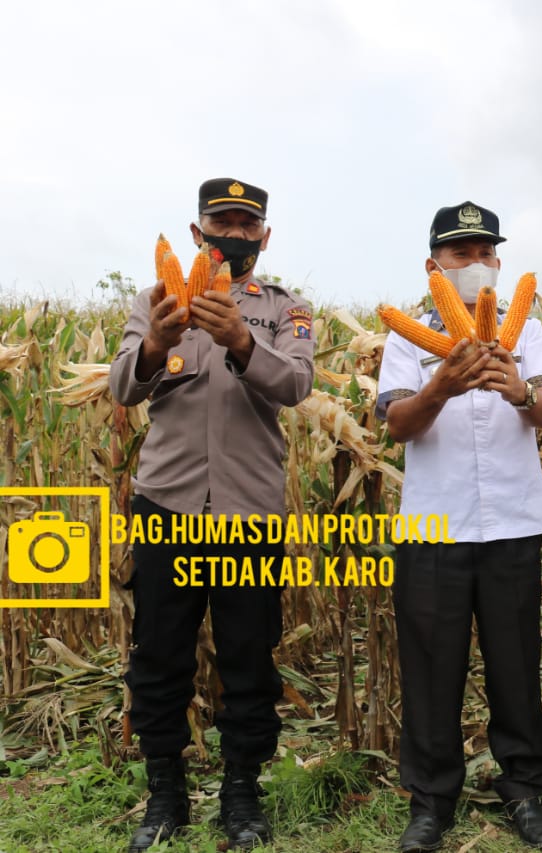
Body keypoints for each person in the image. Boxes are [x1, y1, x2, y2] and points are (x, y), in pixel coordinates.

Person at [109, 178, 315, 851]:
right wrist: (153, 343)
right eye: (221, 223)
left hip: (248, 511)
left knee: (248, 657)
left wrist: (243, 344)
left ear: (264, 236)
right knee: (160, 654)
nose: (234, 235)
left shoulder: (285, 309)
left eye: (247, 225)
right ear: (197, 233)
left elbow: (295, 384)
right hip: (167, 507)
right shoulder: (155, 301)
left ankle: (241, 792)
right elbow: (122, 385)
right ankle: (164, 791)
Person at [376, 201, 542, 851]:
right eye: (462, 254)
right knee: (432, 666)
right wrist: (445, 385)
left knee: (516, 662)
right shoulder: (407, 337)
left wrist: (515, 386)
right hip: (434, 524)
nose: (477, 264)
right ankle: (431, 799)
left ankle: (524, 789)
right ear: (434, 265)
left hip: (511, 519)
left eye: (487, 252)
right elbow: (397, 421)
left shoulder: (528, 331)